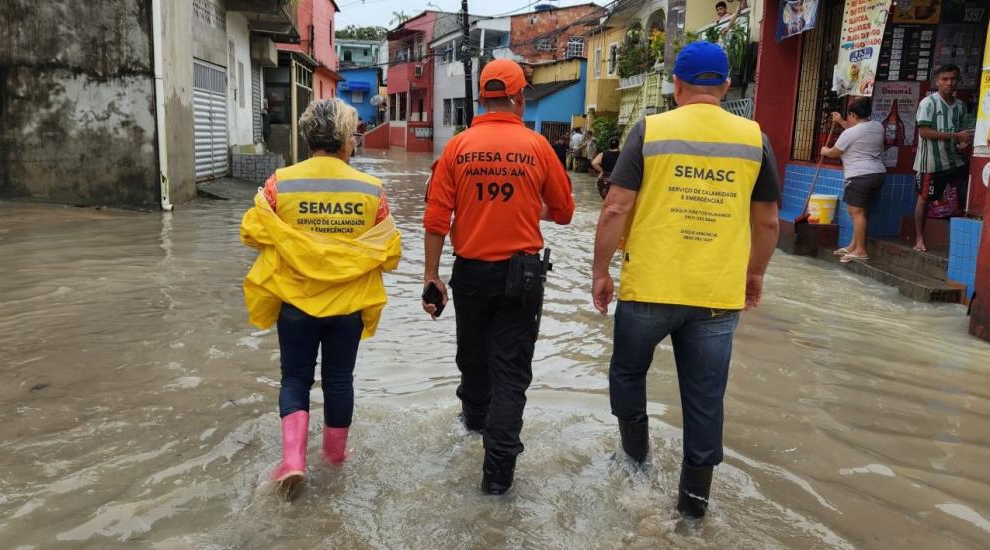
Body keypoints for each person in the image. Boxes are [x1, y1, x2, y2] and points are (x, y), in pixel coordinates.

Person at [591, 41, 780, 519]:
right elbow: (768, 222)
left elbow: (616, 207)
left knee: (628, 373)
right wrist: (754, 274)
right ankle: (694, 507)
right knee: (704, 398)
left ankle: (635, 462)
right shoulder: (754, 137)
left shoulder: (649, 131)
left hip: (650, 288)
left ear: (675, 85)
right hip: (717, 294)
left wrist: (600, 271)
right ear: (726, 86)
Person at [422, 59, 576, 495]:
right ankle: (497, 479)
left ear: (483, 99)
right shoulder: (538, 147)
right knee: (510, 374)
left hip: (469, 275)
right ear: (519, 98)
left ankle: (472, 427)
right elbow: (563, 212)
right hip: (522, 279)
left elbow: (436, 219)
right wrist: (530, 206)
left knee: (472, 360)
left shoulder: (457, 148)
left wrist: (432, 277)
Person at [240, 98, 402, 496]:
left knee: (294, 379)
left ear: (308, 137)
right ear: (346, 140)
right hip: (346, 309)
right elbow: (390, 250)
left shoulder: (281, 183)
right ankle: (334, 460)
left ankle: (293, 461)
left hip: (295, 304)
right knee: (339, 381)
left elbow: (251, 231)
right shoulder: (372, 191)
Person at [913, 64, 974, 251]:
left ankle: (963, 244)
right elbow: (924, 132)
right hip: (931, 162)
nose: (949, 83)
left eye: (953, 79)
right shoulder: (928, 103)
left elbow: (959, 134)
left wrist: (962, 143)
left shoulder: (960, 106)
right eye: (945, 79)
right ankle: (919, 239)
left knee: (966, 198)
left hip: (954, 160)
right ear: (937, 80)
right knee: (924, 199)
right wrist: (956, 136)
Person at [821, 98, 886, 262]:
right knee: (861, 212)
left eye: (848, 116)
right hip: (878, 174)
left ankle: (861, 250)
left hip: (859, 176)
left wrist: (825, 150)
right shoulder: (877, 127)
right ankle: (853, 246)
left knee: (855, 213)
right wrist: (841, 121)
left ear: (853, 114)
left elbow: (835, 152)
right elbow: (858, 131)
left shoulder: (849, 133)